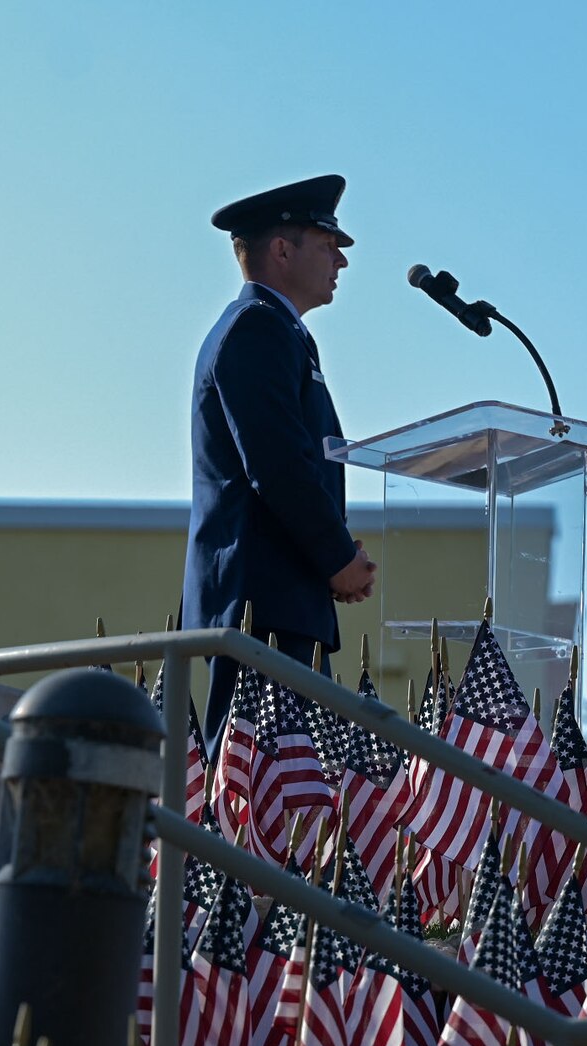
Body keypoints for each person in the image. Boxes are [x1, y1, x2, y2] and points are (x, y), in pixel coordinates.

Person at [182, 174, 376, 757]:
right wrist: (337, 557)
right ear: (282, 250)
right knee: (256, 798)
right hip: (261, 603)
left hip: (280, 601)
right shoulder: (257, 329)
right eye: (328, 244)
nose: (341, 260)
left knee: (281, 802)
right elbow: (279, 464)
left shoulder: (281, 333)